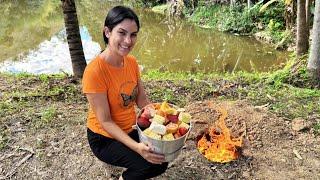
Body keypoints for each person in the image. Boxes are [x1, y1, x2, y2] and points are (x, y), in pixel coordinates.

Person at [82, 5, 168, 180]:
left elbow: (141, 99)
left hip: (130, 128)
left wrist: (157, 115)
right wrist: (137, 148)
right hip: (103, 138)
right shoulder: (94, 72)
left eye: (133, 34)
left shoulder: (131, 62)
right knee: (146, 164)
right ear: (107, 32)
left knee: (161, 159)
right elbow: (105, 121)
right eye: (121, 33)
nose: (128, 41)